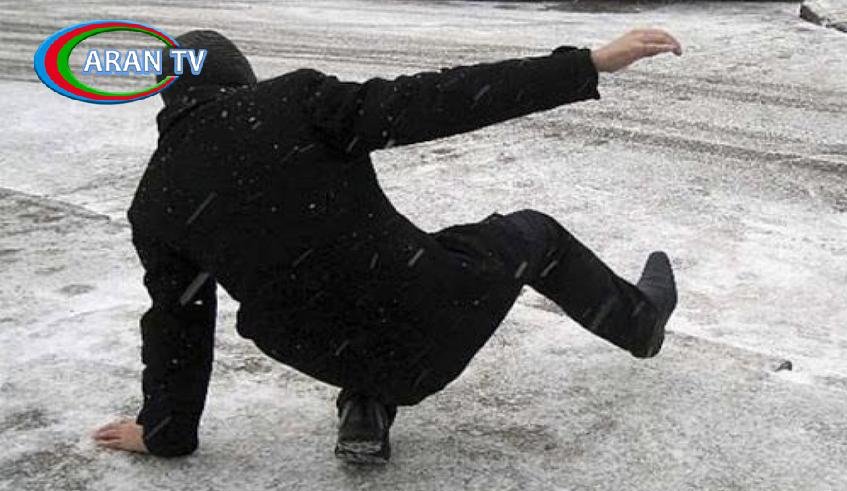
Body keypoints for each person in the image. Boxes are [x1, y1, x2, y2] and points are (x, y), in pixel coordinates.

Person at [93, 27, 681, 464]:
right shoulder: (293, 102)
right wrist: (586, 64)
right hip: (428, 319)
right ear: (241, 78)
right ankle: (641, 323)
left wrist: (164, 432)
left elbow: (178, 323)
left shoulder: (154, 201)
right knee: (536, 236)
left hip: (326, 351)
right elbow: (436, 98)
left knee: (334, 277)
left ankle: (366, 404)